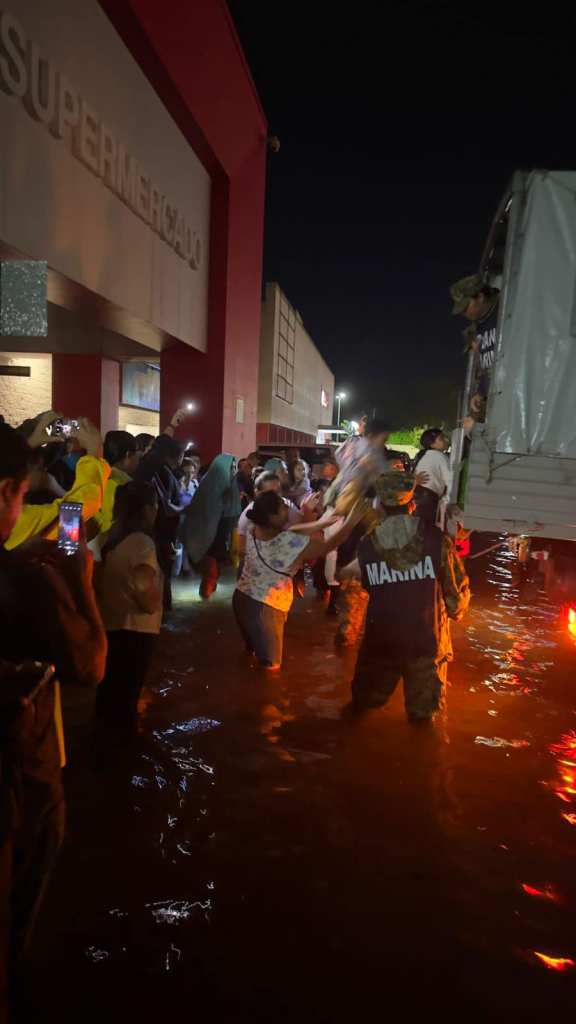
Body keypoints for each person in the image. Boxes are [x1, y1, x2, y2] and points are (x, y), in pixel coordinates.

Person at [0, 424, 106, 1017]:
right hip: (20, 783)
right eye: (19, 494)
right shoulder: (27, 580)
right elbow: (90, 662)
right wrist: (77, 582)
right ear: (8, 492)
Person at [348, 472, 470, 720]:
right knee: (423, 721)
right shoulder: (437, 541)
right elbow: (456, 600)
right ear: (412, 503)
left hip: (380, 642)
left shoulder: (366, 545)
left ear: (380, 506)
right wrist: (456, 612)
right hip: (426, 643)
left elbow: (363, 592)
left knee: (360, 710)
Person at [233, 491, 366, 669]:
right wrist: (350, 522)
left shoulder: (254, 529)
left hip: (241, 600)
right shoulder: (289, 543)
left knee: (252, 654)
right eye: (282, 507)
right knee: (271, 669)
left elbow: (290, 530)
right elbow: (328, 545)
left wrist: (323, 522)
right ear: (272, 517)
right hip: (265, 609)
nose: (287, 508)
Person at [95, 482, 162, 727]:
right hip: (136, 630)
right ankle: (122, 751)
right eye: (155, 506)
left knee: (109, 694)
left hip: (111, 624)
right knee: (126, 700)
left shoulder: (111, 535)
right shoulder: (142, 543)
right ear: (146, 509)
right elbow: (146, 593)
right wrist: (155, 603)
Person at [4, 416, 109, 551]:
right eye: (22, 485)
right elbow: (71, 518)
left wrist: (31, 443)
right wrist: (95, 452)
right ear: (6, 490)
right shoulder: (16, 523)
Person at [183, 454, 241, 598]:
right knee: (211, 570)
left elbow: (233, 514)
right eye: (230, 468)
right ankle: (205, 600)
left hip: (221, 534)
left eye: (234, 467)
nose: (233, 471)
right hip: (207, 534)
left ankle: (208, 599)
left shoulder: (231, 486)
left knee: (215, 570)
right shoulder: (208, 485)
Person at [136, 434, 184, 608]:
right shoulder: (160, 471)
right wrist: (186, 508)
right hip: (159, 531)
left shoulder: (154, 468)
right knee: (161, 572)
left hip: (157, 529)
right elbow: (167, 506)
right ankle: (161, 612)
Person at [450, 273, 500, 420]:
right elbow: (487, 365)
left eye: (466, 307)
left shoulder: (506, 311)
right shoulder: (478, 325)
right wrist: (481, 392)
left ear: (480, 296)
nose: (464, 313)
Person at [237, 471, 304, 561]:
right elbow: (242, 551)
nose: (276, 496)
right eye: (270, 493)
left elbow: (301, 526)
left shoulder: (285, 504)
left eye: (278, 491)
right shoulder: (247, 517)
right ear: (257, 493)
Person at [94, 430, 140, 537]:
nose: (139, 457)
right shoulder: (122, 486)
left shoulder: (98, 477)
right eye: (137, 453)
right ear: (128, 455)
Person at [412, 428, 452, 526]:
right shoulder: (440, 456)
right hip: (428, 499)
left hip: (416, 495)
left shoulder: (422, 455)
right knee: (427, 528)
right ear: (432, 444)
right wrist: (448, 501)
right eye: (442, 438)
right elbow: (450, 480)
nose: (446, 440)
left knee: (419, 527)